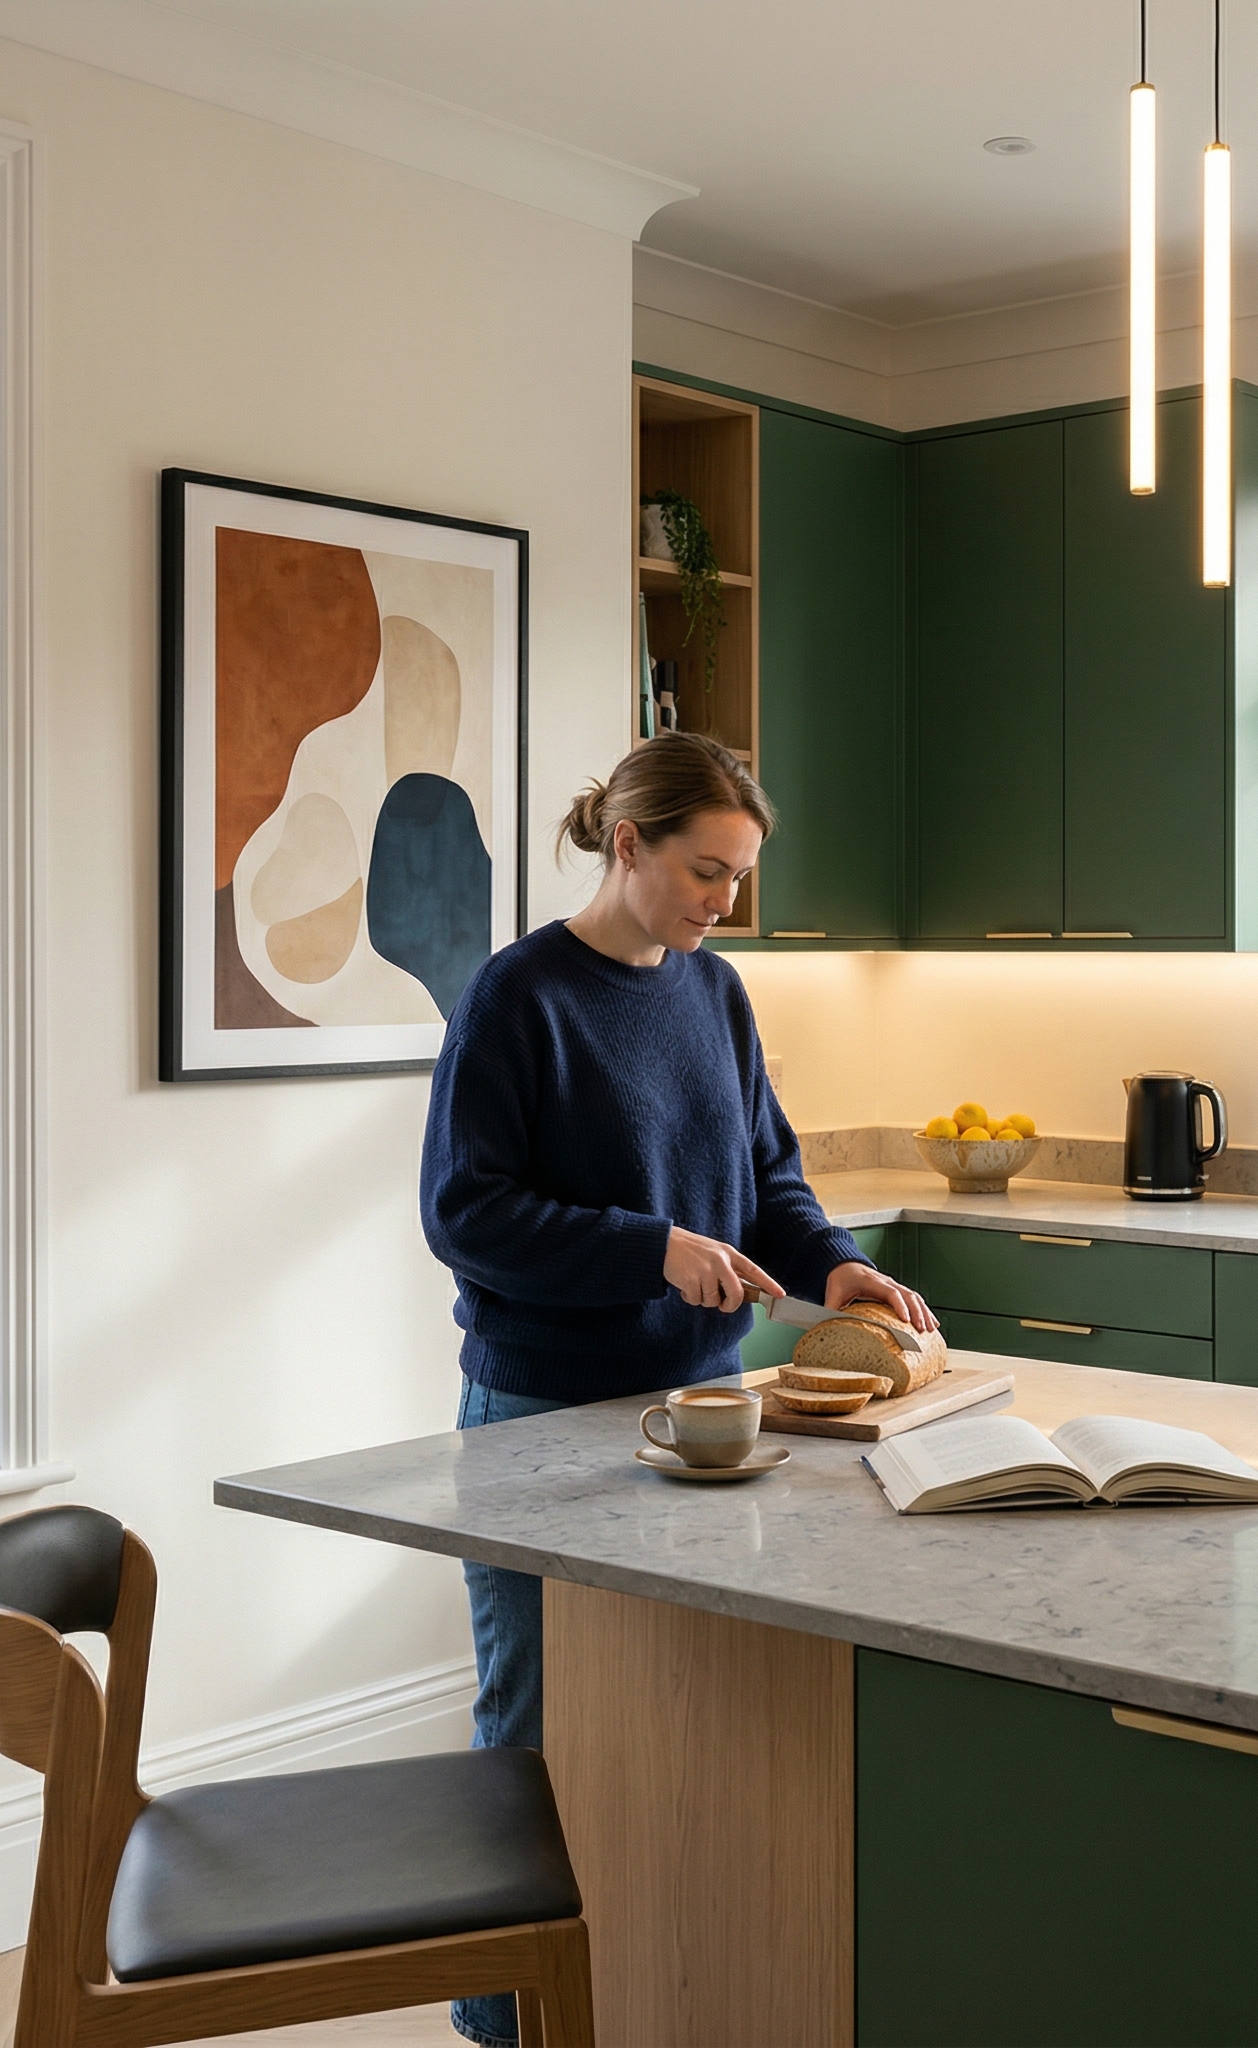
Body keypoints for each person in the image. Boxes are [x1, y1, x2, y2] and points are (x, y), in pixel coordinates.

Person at [419, 731, 935, 2047]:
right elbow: (464, 1211)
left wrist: (840, 1272)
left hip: (711, 1418)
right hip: (539, 1420)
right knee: (537, 1733)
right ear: (629, 844)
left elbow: (770, 1181)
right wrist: (648, 1247)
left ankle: (658, 1987)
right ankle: (505, 2021)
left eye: (742, 877)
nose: (725, 901)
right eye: (707, 870)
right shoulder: (517, 997)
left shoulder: (716, 996)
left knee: (688, 1720)